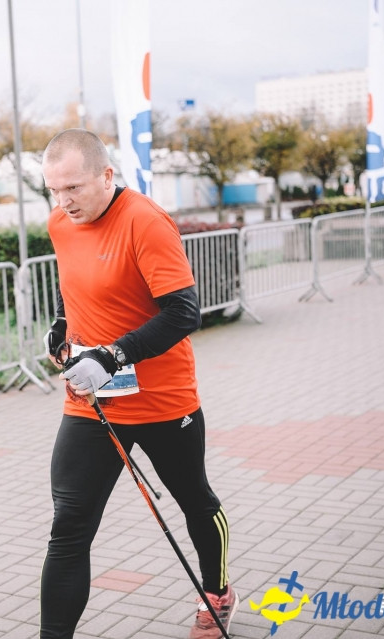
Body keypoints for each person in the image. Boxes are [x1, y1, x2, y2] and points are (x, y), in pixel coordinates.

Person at [38, 128, 237, 639]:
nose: (63, 202)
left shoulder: (145, 222)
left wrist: (113, 354)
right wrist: (62, 326)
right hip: (93, 403)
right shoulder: (60, 224)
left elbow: (183, 312)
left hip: (163, 400)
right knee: (69, 529)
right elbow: (73, 286)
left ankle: (216, 592)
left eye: (74, 188)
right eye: (53, 190)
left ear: (107, 175)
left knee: (196, 502)